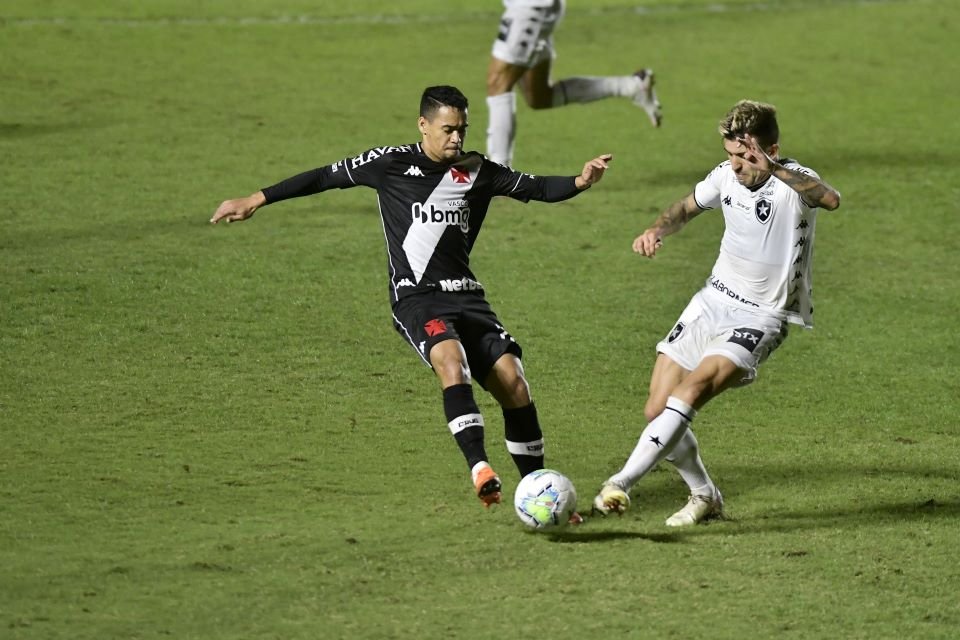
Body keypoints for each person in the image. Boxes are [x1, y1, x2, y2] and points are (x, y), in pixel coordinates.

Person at [211, 85, 612, 510]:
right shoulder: (389, 164)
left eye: (462, 129)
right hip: (417, 299)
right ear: (423, 125)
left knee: (514, 381)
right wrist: (256, 198)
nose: (457, 139)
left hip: (468, 297)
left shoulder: (479, 170)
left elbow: (536, 187)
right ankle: (480, 468)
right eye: (447, 130)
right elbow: (324, 177)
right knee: (450, 360)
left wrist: (581, 181)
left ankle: (540, 493)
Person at [592, 99, 841, 526]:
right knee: (657, 410)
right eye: (731, 155)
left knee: (689, 393)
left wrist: (774, 168)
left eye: (747, 157)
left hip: (762, 316)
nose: (738, 166)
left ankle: (620, 482)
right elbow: (685, 208)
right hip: (712, 300)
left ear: (772, 150)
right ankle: (705, 495)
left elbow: (830, 199)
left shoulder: (793, 183)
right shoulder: (726, 177)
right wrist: (656, 229)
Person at [486, 0, 661, 167]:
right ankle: (634, 86)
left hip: (531, 7)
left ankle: (498, 174)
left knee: (498, 83)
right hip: (529, 7)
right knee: (538, 97)